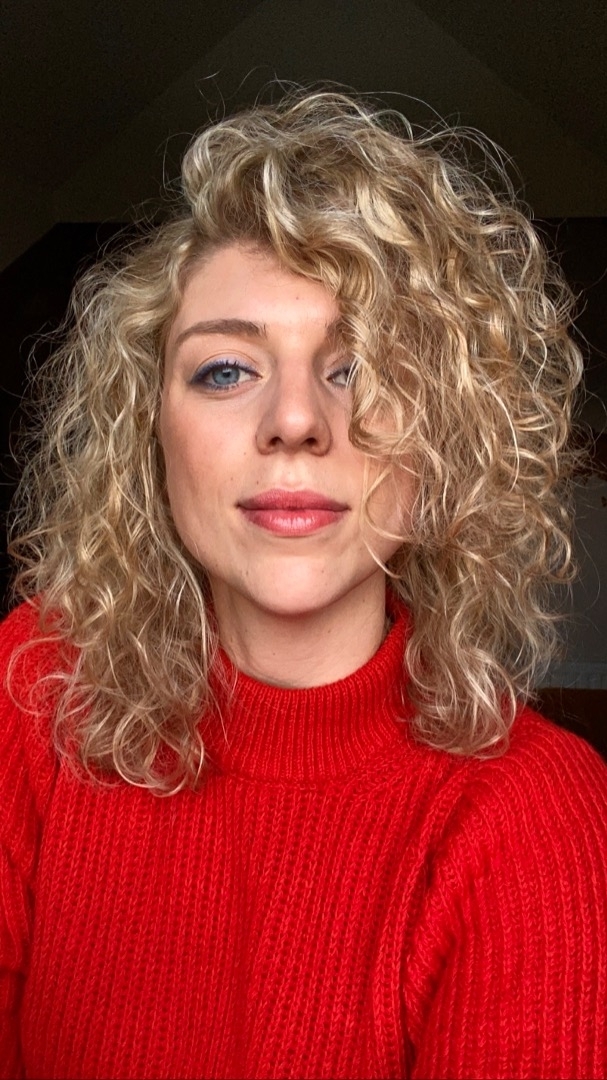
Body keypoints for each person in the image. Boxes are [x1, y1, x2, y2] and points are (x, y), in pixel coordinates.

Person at [1, 89, 606, 1080]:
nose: (294, 420)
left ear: (444, 439)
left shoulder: (532, 817)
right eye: (226, 370)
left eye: (358, 366)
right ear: (149, 433)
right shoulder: (32, 692)